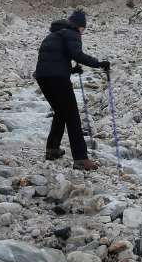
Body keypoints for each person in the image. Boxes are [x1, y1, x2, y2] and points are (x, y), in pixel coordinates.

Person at [33, 10, 110, 171]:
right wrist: (99, 64)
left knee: (60, 112)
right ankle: (81, 158)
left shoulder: (54, 35)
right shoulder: (72, 34)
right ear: (80, 26)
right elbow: (77, 55)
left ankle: (52, 149)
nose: (83, 31)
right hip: (57, 78)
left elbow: (53, 60)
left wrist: (72, 71)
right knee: (72, 116)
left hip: (42, 77)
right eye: (84, 28)